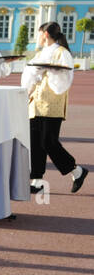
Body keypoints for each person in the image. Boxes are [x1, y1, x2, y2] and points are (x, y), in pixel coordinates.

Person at [22, 21, 87, 194]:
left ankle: (77, 171)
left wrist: (48, 71)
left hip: (52, 103)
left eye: (38, 33)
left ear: (44, 34)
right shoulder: (41, 53)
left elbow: (64, 79)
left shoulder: (62, 53)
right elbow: (30, 74)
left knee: (48, 142)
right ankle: (36, 180)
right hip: (36, 102)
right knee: (34, 142)